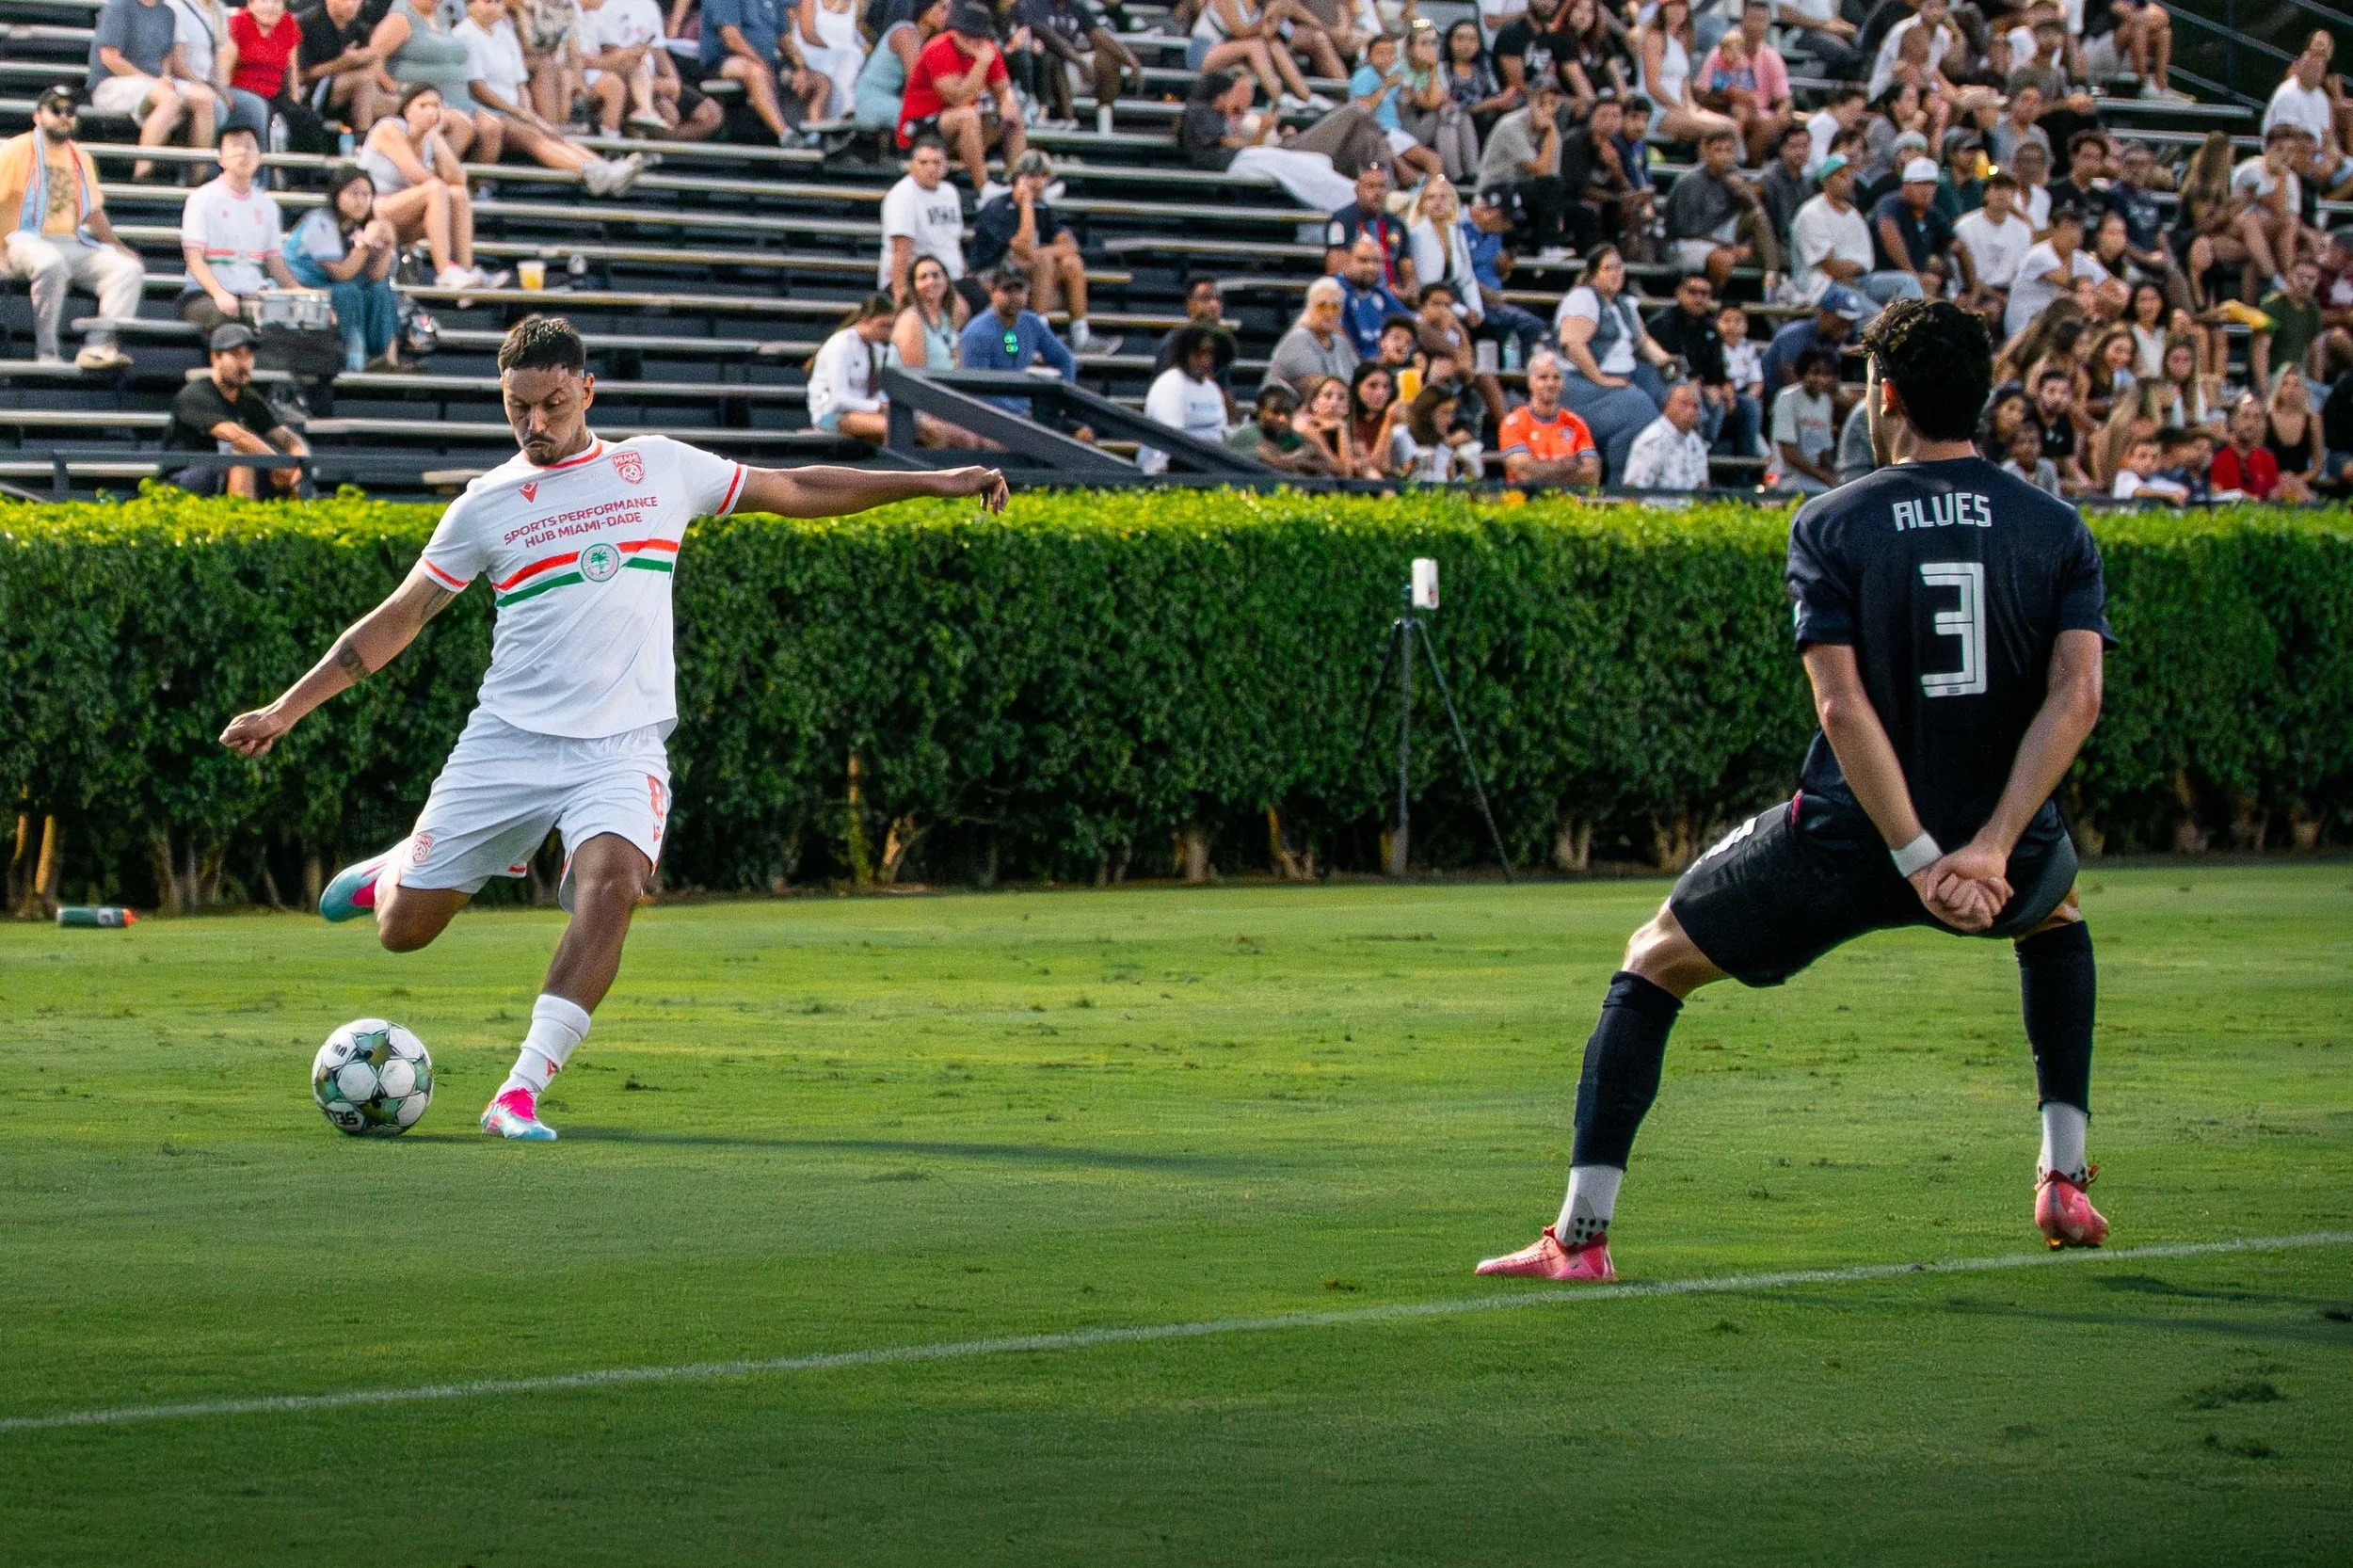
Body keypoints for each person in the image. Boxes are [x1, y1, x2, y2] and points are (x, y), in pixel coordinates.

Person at [217, 315, 1005, 1144]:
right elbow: (395, 621)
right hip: (509, 743)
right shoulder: (484, 505)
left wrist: (933, 481)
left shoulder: (656, 467)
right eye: (519, 408)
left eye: (554, 404)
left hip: (622, 751)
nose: (537, 425)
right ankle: (391, 875)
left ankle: (517, 1093)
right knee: (403, 933)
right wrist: (284, 709)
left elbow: (795, 488)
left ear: (587, 390)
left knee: (615, 886)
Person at [1475, 297, 2114, 1285]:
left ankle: (1580, 1238)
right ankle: (2063, 1178)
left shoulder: (1830, 520)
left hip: (1853, 839)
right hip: (2002, 845)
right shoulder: (2056, 526)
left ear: (1884, 395)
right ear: (1982, 397)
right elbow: (2078, 696)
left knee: (1652, 961)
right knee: (2055, 912)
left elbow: (1843, 711)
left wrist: (1914, 858)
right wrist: (1987, 849)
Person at [0, 88, 143, 372]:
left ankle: (98, 347)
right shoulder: (15, 149)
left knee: (127, 269)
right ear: (38, 116)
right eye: (56, 110)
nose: (64, 116)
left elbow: (92, 211)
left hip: (69, 240)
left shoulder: (81, 157)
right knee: (50, 263)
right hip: (21, 238)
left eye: (70, 111)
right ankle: (47, 353)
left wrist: (116, 244)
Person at [456, 0, 648, 195]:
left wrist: (527, 111)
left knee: (549, 133)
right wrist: (518, 112)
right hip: (489, 111)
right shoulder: (464, 35)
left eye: (497, 2)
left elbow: (520, 81)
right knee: (532, 137)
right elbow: (478, 89)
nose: (496, 6)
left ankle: (605, 168)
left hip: (514, 111)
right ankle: (593, 171)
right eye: (488, 2)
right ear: (470, 6)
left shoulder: (503, 32)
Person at [360, 85, 497, 292]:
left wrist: (435, 137)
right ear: (407, 110)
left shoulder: (429, 140)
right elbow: (416, 175)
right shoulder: (389, 128)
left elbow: (459, 178)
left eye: (436, 106)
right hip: (373, 209)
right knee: (435, 188)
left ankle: (466, 272)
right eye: (423, 105)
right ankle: (444, 273)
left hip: (405, 212)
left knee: (458, 194)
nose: (431, 111)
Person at [971, 151, 1111, 352]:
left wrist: (1042, 253)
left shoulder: (1042, 207)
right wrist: (1026, 204)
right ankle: (1039, 336)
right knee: (1044, 260)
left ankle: (1081, 336)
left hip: (1026, 280)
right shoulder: (997, 208)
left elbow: (1070, 246)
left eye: (1042, 177)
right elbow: (1024, 248)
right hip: (990, 279)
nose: (1039, 183)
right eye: (1032, 177)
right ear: (1018, 179)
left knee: (1071, 263)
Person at [1554, 244, 1672, 479]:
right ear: (1594, 273)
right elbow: (1572, 344)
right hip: (1584, 384)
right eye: (1609, 269)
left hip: (1624, 375)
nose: (1616, 274)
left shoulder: (1625, 304)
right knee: (1639, 409)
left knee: (1675, 393)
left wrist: (1667, 362)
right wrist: (1601, 378)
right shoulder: (1583, 299)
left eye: (1619, 268)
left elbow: (1643, 342)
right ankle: (1624, 484)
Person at [178, 125, 299, 337]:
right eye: (235, 147)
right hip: (205, 295)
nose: (243, 152)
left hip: (252, 295)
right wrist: (219, 294)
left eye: (249, 147)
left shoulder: (267, 206)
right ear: (221, 158)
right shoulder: (201, 199)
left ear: (259, 157)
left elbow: (275, 263)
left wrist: (300, 293)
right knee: (229, 320)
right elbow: (194, 259)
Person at [284, 165, 405, 372]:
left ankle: (387, 359)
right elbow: (342, 274)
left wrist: (387, 245)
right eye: (353, 193)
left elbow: (376, 275)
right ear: (337, 194)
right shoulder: (319, 222)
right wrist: (367, 241)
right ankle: (354, 360)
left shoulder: (358, 227)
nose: (361, 201)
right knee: (347, 291)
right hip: (305, 286)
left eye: (367, 195)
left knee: (381, 289)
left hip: (338, 285)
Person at [166, 323, 309, 497]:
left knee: (284, 474)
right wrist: (277, 462)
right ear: (215, 357)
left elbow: (286, 437)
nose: (244, 363)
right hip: (183, 477)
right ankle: (240, 521)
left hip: (223, 473)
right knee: (243, 454)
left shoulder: (249, 398)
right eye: (235, 355)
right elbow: (234, 436)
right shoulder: (195, 393)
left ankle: (296, 519)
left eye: (248, 356)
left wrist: (298, 460)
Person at [898, 6, 1026, 198]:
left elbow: (1004, 88)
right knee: (966, 116)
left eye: (979, 36)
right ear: (957, 33)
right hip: (922, 124)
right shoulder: (938, 49)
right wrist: (982, 63)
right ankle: (983, 188)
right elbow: (958, 98)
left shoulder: (988, 49)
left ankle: (1020, 185)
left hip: (965, 124)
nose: (975, 41)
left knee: (1013, 117)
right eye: (970, 36)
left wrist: (1007, 102)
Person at [88, 0, 214, 182]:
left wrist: (165, 78)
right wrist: (153, 81)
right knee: (169, 99)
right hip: (112, 84)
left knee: (204, 98)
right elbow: (110, 58)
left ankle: (200, 178)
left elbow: (165, 60)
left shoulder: (167, 14)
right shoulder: (118, 8)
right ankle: (142, 173)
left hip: (153, 83)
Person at [1647, 271, 1758, 458]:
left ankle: (1743, 472)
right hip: (1667, 387)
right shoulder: (1662, 324)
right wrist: (1698, 383)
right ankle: (1701, 450)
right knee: (1697, 395)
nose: (1699, 298)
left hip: (1706, 389)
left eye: (1704, 294)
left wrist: (1725, 386)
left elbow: (1717, 368)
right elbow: (1667, 365)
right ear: (1679, 293)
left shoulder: (1710, 327)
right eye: (1693, 292)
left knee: (1748, 406)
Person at [578, 0, 720, 139]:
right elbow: (612, 60)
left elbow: (659, 52)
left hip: (649, 79)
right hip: (624, 79)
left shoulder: (648, 5)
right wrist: (656, 88)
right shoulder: (604, 7)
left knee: (710, 114)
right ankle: (645, 145)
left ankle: (658, 149)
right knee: (667, 113)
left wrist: (673, 82)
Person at [1663, 125, 1780, 292]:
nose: (1724, 157)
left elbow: (1755, 212)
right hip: (1687, 242)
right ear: (1706, 152)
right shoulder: (1690, 181)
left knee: (1757, 216)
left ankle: (1771, 282)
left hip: (1721, 236)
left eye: (1729, 151)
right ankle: (1712, 299)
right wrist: (1729, 247)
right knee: (1724, 259)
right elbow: (1686, 230)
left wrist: (1744, 193)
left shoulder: (1735, 176)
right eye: (1718, 150)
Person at [957, 266, 1077, 413]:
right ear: (993, 292)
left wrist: (1066, 400)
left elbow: (1064, 359)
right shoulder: (977, 332)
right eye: (1007, 290)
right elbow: (976, 389)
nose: (1014, 296)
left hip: (1025, 405)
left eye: (1019, 290)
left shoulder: (1031, 322)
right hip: (989, 414)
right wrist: (1019, 411)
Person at [1476, 75, 1565, 257]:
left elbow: (1552, 176)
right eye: (1542, 102)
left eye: (1552, 103)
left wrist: (1557, 212)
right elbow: (1540, 170)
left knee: (1581, 214)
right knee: (1548, 186)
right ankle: (1548, 247)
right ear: (1530, 101)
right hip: (1495, 189)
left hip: (1527, 190)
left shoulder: (1552, 131)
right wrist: (1550, 134)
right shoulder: (1511, 125)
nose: (1547, 108)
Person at [703, 0, 810, 145]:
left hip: (766, 61)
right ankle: (785, 134)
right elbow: (731, 38)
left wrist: (800, 67)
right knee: (756, 72)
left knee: (819, 80)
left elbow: (783, 38)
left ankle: (813, 137)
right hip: (723, 60)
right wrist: (761, 63)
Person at [878, 135, 968, 307]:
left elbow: (953, 240)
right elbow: (900, 251)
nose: (931, 168)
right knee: (960, 309)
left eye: (936, 163)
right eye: (924, 163)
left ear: (946, 166)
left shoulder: (950, 193)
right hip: (918, 279)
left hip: (952, 278)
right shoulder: (903, 195)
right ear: (912, 165)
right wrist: (900, 297)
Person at [1138, 325, 1232, 473]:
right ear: (1184, 353)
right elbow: (1172, 442)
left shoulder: (1212, 390)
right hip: (1168, 469)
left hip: (1210, 464)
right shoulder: (1170, 384)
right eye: (1199, 353)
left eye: (1210, 353)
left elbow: (1221, 432)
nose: (1206, 360)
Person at [2005, 204, 2109, 340]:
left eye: (2077, 229)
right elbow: (2071, 282)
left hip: (2057, 327)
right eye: (2067, 228)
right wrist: (2090, 287)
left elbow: (2112, 286)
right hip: (2027, 328)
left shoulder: (2080, 258)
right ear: (2053, 229)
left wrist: (2108, 297)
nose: (2073, 234)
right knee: (2082, 297)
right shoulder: (2039, 255)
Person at [1497, 349, 1599, 486]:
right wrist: (1568, 466)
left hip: (1568, 501)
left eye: (1556, 377)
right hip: (1526, 501)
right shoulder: (1514, 422)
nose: (1550, 383)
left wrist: (1538, 468)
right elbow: (1523, 474)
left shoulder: (1576, 422)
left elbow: (1590, 473)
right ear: (1530, 382)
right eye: (1543, 377)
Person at [807, 294, 899, 441]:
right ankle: (891, 464)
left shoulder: (877, 349)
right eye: (883, 325)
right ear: (865, 320)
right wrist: (878, 407)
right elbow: (837, 400)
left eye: (891, 326)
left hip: (863, 412)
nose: (888, 332)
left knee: (922, 427)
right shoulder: (841, 345)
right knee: (894, 428)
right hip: (828, 416)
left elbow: (877, 390)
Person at [220, 0, 304, 145]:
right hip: (243, 92)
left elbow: (292, 70)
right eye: (264, 1)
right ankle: (264, 166)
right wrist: (225, 98)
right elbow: (225, 67)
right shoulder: (237, 23)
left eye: (276, 2)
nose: (271, 7)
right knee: (262, 113)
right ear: (251, 4)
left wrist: (295, 101)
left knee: (305, 119)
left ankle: (304, 167)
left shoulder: (288, 23)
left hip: (275, 94)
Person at [854, 0, 944, 133]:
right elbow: (917, 81)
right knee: (931, 120)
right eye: (942, 8)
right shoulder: (905, 34)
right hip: (872, 103)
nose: (949, 13)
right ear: (927, 8)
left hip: (893, 101)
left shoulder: (927, 39)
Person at [1952, 170, 2033, 315]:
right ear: (1986, 194)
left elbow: (2020, 272)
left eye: (2008, 189)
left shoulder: (2022, 230)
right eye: (1997, 188)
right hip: (1969, 289)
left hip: (2005, 291)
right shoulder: (1964, 226)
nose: (2002, 194)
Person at [1323, 164, 1412, 294]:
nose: (1377, 192)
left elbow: (1408, 269)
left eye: (1382, 186)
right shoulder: (1342, 221)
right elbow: (1336, 271)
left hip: (1392, 296)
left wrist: (1407, 292)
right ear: (1357, 190)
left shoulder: (1396, 224)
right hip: (1356, 293)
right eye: (1370, 186)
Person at [1759, 287, 1862, 398]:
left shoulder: (1832, 340)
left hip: (1811, 399)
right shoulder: (1795, 333)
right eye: (1841, 320)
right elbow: (1790, 379)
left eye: (1850, 323)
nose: (1846, 327)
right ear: (1825, 313)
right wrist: (1830, 397)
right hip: (1776, 397)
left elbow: (1831, 378)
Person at [1264, 275, 1360, 393]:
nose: (1328, 313)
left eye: (1335, 307)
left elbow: (1360, 380)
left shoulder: (1341, 343)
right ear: (1309, 307)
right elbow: (1315, 387)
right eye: (1321, 306)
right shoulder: (1298, 340)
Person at [1770, 344, 1840, 490]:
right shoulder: (1786, 397)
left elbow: (1824, 450)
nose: (1821, 379)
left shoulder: (1825, 401)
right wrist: (1824, 477)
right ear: (1802, 373)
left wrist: (1833, 477)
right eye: (1815, 373)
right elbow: (1788, 452)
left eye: (1827, 374)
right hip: (1787, 477)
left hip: (1815, 477)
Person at [1227, 380, 1337, 473]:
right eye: (1276, 412)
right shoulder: (1249, 434)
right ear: (1260, 412)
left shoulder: (1291, 436)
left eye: (1287, 413)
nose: (1282, 418)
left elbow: (1326, 466)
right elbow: (1277, 462)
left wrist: (1306, 455)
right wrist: (1302, 455)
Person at [1619, 379, 1709, 489]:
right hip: (1658, 505)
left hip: (1690, 504)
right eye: (1684, 404)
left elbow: (1702, 485)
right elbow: (1633, 490)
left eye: (1695, 406)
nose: (1691, 411)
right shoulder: (1652, 439)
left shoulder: (1695, 441)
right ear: (1667, 406)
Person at [2252, 260, 2323, 395]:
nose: (2305, 283)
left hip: (2299, 378)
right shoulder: (2272, 307)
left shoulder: (2313, 309)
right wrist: (2265, 392)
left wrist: (2316, 383)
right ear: (2289, 276)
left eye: (2311, 279)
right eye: (2300, 277)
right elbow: (2260, 351)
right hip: (2275, 377)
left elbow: (2315, 352)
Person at [890, 252, 968, 372]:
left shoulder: (945, 318)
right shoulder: (911, 320)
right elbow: (915, 376)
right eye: (923, 277)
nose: (931, 281)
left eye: (936, 275)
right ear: (914, 286)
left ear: (946, 280)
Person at [1337, 236, 1411, 361]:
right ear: (1347, 260)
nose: (1370, 267)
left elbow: (1411, 323)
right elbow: (1338, 337)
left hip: (1384, 365)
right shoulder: (1334, 290)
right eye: (1363, 260)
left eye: (1376, 261)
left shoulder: (1379, 293)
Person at [795, 0, 866, 120]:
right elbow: (807, 34)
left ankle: (843, 113)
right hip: (814, 51)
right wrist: (834, 48)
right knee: (848, 57)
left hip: (844, 57)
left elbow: (858, 36)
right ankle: (845, 110)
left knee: (851, 58)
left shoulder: (856, 4)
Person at [2264, 368, 2322, 502]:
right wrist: (2279, 480)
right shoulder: (2266, 419)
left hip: (2302, 481)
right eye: (2286, 384)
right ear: (2278, 388)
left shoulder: (2313, 420)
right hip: (2272, 481)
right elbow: (2257, 455)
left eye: (2296, 384)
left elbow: (2318, 465)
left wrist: (2297, 480)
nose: (2291, 389)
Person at [2209, 390, 2279, 500]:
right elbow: (2216, 495)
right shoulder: (2219, 458)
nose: (2251, 423)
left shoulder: (2268, 459)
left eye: (2256, 417)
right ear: (2233, 420)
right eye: (2245, 416)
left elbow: (2273, 496)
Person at [1758, 120, 1814, 256]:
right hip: (1772, 243)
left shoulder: (1808, 182)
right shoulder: (1769, 179)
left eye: (1804, 146)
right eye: (1794, 147)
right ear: (1782, 149)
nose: (1800, 152)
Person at [2110, 431, 2185, 503]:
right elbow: (2139, 492)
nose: (2149, 462)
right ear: (2130, 459)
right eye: (2142, 456)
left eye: (2154, 457)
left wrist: (2181, 491)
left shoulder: (2156, 479)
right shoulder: (2124, 476)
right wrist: (2170, 495)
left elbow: (2179, 489)